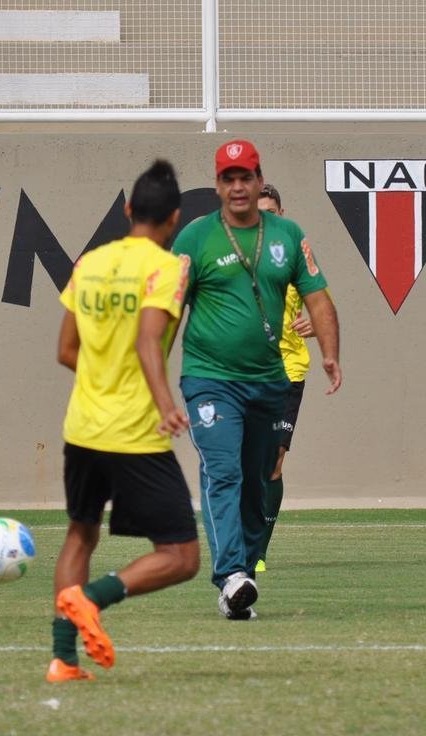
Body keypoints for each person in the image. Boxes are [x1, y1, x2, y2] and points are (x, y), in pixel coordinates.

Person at [172, 140, 341, 620]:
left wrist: (330, 353)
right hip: (209, 378)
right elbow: (167, 312)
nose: (238, 186)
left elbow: (319, 297)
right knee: (222, 470)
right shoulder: (195, 238)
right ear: (219, 185)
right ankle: (232, 576)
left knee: (257, 479)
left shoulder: (288, 236)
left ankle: (240, 573)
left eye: (246, 176)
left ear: (258, 178)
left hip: (271, 381)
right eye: (229, 178)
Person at [49, 160, 200, 682]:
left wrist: (101, 376)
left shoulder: (88, 262)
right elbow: (147, 340)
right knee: (181, 556)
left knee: (80, 535)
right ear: (175, 218)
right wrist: (162, 403)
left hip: (81, 428)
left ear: (128, 209)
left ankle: (63, 661)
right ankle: (91, 598)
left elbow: (66, 350)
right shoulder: (169, 267)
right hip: (134, 434)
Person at [255, 184, 314, 572]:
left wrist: (315, 319)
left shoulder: (297, 248)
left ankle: (258, 550)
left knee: (274, 462)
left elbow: (319, 295)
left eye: (273, 212)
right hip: (245, 371)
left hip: (289, 371)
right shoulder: (237, 254)